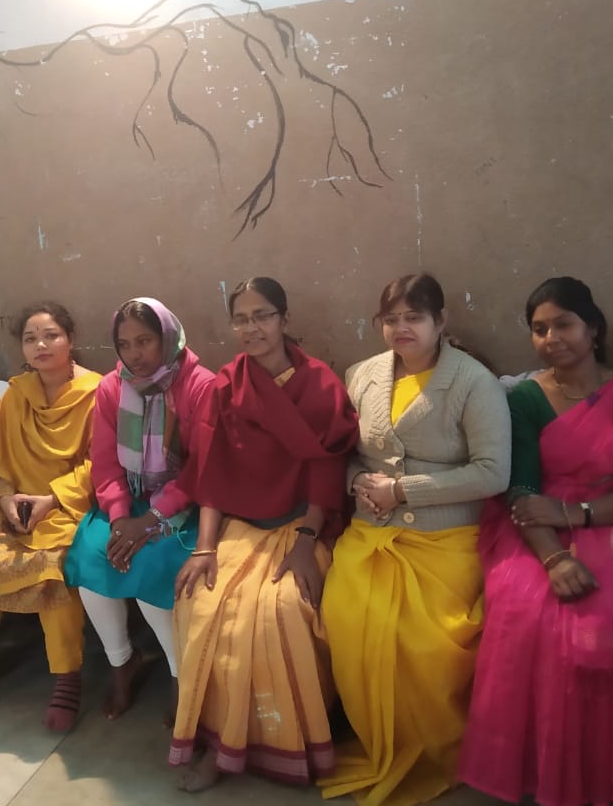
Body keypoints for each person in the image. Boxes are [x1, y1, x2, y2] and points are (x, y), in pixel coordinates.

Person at [459, 277, 613, 806]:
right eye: (539, 329)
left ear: (593, 328)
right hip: (533, 526)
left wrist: (577, 514)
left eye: (564, 324)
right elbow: (521, 489)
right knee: (524, 607)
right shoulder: (526, 399)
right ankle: (536, 765)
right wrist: (554, 558)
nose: (551, 338)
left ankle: (598, 763)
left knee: (603, 616)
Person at [321, 274, 510, 806]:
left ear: (440, 321)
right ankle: (378, 738)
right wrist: (359, 482)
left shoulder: (473, 383)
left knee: (425, 640)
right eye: (391, 319)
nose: (401, 328)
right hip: (371, 532)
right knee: (346, 615)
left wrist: (404, 490)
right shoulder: (362, 375)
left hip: (445, 536)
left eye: (414, 317)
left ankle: (436, 749)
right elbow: (344, 454)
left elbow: (493, 472)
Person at [170, 277, 358, 791]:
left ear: (284, 319)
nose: (252, 328)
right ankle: (220, 743)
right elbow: (210, 474)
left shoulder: (320, 384)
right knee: (201, 602)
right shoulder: (226, 386)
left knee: (284, 610)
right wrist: (204, 547)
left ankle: (292, 741)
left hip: (304, 524)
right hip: (241, 524)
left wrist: (306, 543)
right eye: (242, 318)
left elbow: (326, 470)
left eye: (263, 316)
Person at [0, 302, 100, 731]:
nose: (41, 345)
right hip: (14, 505)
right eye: (31, 339)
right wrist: (5, 498)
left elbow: (99, 464)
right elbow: (0, 461)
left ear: (70, 339)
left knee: (51, 568)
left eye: (51, 336)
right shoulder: (16, 395)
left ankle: (66, 675)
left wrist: (52, 499)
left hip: (66, 505)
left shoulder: (98, 392)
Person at [63, 298, 215, 719]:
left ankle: (180, 674)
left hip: (185, 505)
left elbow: (201, 469)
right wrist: (118, 520)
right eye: (125, 344)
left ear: (167, 338)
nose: (135, 354)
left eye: (145, 341)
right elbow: (104, 463)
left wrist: (149, 520)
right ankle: (122, 662)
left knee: (150, 565)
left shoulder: (200, 385)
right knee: (92, 556)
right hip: (127, 500)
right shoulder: (113, 387)